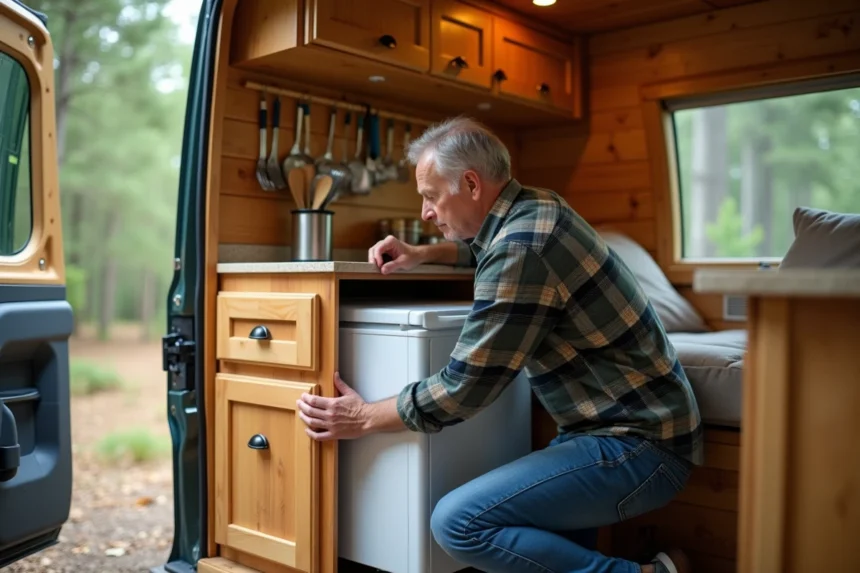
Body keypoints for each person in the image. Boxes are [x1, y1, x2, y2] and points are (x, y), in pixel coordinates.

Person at [296, 116, 703, 573]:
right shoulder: (535, 207)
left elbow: (464, 389)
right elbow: (484, 246)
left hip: (638, 449)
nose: (426, 212)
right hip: (623, 433)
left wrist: (365, 416)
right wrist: (424, 252)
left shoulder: (522, 247)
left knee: (457, 523)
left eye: (431, 196)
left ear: (471, 183)